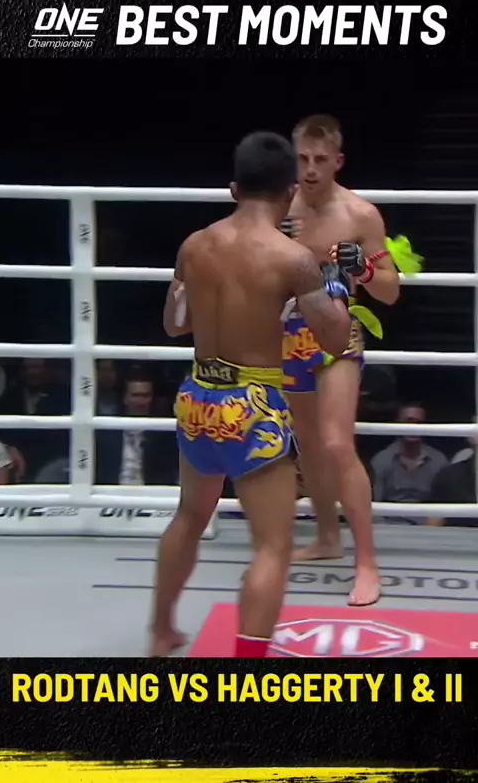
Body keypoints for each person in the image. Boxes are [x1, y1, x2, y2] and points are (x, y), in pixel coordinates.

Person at [148, 130, 352, 657]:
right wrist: (332, 278)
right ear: (290, 191)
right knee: (273, 546)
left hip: (198, 397)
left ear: (234, 189)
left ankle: (160, 630)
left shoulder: (195, 245)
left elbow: (174, 323)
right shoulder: (293, 259)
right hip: (253, 406)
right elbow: (335, 339)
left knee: (189, 516)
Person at [282, 114, 401, 607]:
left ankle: (366, 563)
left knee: (336, 442)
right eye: (302, 159)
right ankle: (327, 538)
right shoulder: (278, 203)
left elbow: (390, 292)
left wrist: (362, 268)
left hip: (339, 332)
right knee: (308, 446)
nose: (310, 169)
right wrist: (271, 240)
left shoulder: (360, 214)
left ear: (338, 161)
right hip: (287, 332)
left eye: (320, 160)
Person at [370, 403, 448, 525]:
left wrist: (433, 525)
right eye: (408, 421)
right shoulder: (381, 460)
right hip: (389, 523)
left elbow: (444, 506)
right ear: (397, 424)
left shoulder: (439, 460)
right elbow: (374, 506)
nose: (413, 427)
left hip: (427, 525)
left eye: (418, 423)